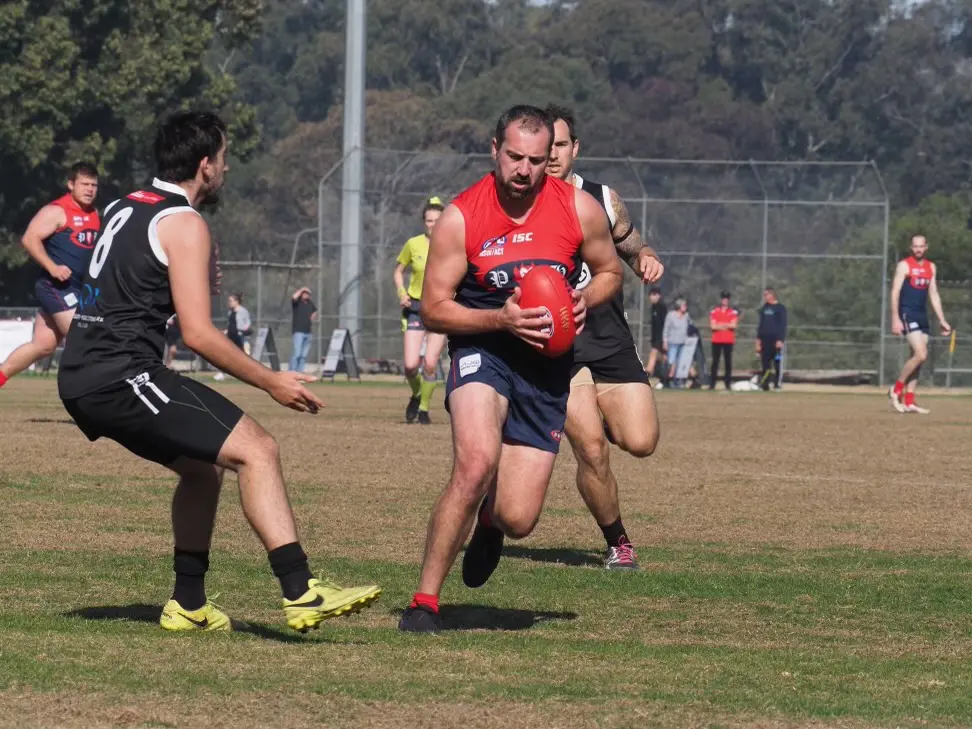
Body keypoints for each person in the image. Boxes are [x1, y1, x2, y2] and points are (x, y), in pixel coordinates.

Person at [57, 111, 380, 633]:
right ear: (205, 165)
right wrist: (273, 380)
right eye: (224, 158)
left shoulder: (127, 204)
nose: (226, 168)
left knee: (203, 470)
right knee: (258, 449)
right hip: (118, 374)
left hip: (86, 369)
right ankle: (301, 590)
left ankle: (187, 603)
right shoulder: (184, 223)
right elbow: (199, 335)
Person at [398, 105, 623, 632]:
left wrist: (588, 296)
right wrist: (500, 317)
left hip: (547, 366)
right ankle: (424, 602)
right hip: (486, 349)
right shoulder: (462, 216)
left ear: (552, 160)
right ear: (494, 149)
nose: (524, 170)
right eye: (515, 157)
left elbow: (611, 269)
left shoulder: (578, 207)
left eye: (537, 161)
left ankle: (490, 522)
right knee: (475, 463)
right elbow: (433, 307)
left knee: (520, 519)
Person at [544, 105, 664, 570]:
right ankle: (619, 542)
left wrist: (647, 257)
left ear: (575, 148)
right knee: (590, 448)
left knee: (640, 441)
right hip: (559, 347)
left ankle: (602, 412)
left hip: (610, 338)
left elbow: (633, 245)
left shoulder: (601, 198)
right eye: (544, 146)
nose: (551, 155)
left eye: (560, 145)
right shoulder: (523, 204)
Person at [0, 162, 100, 389]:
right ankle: (97, 400)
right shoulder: (57, 211)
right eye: (84, 184)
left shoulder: (94, 213)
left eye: (94, 185)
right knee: (84, 339)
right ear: (70, 184)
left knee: (42, 346)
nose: (90, 189)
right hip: (56, 287)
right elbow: (29, 238)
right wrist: (52, 266)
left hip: (77, 289)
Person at [393, 197, 447, 424]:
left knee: (431, 363)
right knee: (410, 366)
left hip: (439, 308)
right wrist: (402, 293)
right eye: (429, 220)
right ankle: (416, 394)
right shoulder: (413, 244)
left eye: (437, 220)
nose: (433, 224)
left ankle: (424, 409)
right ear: (424, 222)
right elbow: (398, 272)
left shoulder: (452, 244)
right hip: (415, 307)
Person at [889, 235, 951, 414]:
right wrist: (895, 318)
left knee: (917, 360)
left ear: (926, 247)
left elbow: (933, 294)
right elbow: (895, 291)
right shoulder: (904, 265)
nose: (918, 249)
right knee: (921, 354)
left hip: (922, 315)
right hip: (908, 313)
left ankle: (909, 401)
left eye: (921, 246)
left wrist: (942, 320)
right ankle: (896, 389)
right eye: (915, 246)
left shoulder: (931, 267)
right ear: (911, 247)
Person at [756, 288, 787, 390]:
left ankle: (777, 384)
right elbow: (760, 325)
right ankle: (765, 384)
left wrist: (780, 340)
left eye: (766, 295)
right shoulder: (764, 308)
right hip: (765, 340)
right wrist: (758, 340)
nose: (765, 297)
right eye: (764, 295)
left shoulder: (780, 308)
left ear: (772, 295)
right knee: (765, 363)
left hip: (776, 341)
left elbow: (782, 325)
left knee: (777, 361)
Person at [709, 290, 739, 390]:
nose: (725, 300)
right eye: (723, 298)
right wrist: (726, 325)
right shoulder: (714, 311)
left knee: (728, 363)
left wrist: (720, 325)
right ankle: (712, 384)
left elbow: (733, 325)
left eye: (726, 299)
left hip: (728, 340)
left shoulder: (733, 312)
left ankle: (727, 384)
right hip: (716, 340)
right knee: (715, 362)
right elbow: (713, 326)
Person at [663, 298, 691, 387]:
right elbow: (666, 329)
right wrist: (665, 341)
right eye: (684, 305)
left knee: (680, 362)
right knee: (672, 361)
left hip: (683, 343)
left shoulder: (686, 316)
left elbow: (690, 327)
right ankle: (669, 379)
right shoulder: (671, 315)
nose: (685, 307)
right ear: (679, 306)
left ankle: (678, 380)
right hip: (672, 343)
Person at [290, 287, 317, 373]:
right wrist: (302, 289)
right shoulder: (297, 303)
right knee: (297, 354)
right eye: (304, 293)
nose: (306, 295)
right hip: (298, 332)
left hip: (308, 332)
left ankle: (299, 372)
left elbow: (315, 311)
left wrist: (313, 315)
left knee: (303, 355)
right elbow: (293, 297)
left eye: (308, 294)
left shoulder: (310, 304)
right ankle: (292, 371)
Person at [645, 286, 667, 384]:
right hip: (656, 338)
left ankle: (647, 373)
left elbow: (665, 324)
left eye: (654, 295)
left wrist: (665, 338)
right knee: (663, 358)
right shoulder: (653, 308)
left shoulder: (661, 307)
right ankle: (664, 378)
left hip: (662, 337)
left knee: (654, 354)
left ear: (659, 296)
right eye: (651, 295)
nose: (652, 297)